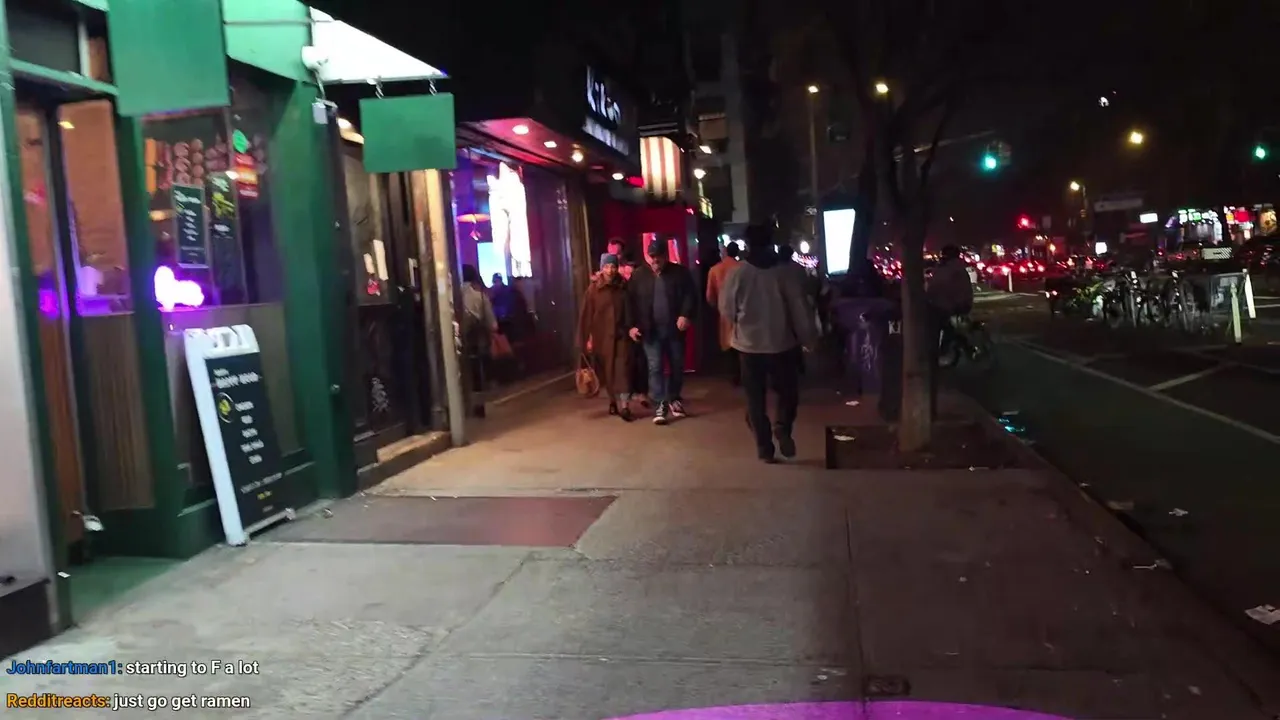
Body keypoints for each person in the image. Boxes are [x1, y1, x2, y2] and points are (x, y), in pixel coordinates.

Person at [719, 224, 817, 463]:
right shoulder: (786, 273)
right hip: (782, 344)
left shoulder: (738, 274)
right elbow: (799, 310)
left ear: (748, 244)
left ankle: (764, 448)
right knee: (788, 393)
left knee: (755, 399)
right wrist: (808, 338)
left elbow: (726, 309)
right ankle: (782, 426)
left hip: (748, 347)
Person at [628, 237, 697, 425]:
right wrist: (631, 325)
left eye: (658, 256)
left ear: (665, 256)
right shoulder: (639, 276)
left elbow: (690, 296)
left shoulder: (680, 273)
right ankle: (660, 403)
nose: (655, 260)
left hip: (674, 330)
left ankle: (674, 398)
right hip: (650, 330)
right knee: (655, 366)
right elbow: (630, 302)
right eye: (651, 256)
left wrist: (685, 314)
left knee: (676, 365)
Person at [578, 253, 635, 421]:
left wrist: (631, 328)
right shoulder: (593, 290)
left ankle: (625, 406)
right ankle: (612, 401)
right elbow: (586, 316)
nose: (610, 270)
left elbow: (630, 310)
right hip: (601, 337)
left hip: (621, 335)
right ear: (602, 268)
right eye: (607, 267)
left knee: (623, 370)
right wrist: (585, 339)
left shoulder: (623, 287)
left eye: (613, 266)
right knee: (608, 372)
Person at [460, 264, 498, 417]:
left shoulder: (453, 296)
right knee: (477, 374)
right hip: (476, 342)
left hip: (458, 341)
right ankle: (478, 406)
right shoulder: (480, 296)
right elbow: (493, 324)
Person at [705, 242, 743, 384]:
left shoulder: (715, 270)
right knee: (742, 343)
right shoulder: (742, 268)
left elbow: (710, 296)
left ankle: (734, 374)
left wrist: (717, 306)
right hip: (742, 311)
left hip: (724, 312)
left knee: (728, 343)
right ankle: (743, 372)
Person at [927, 244, 975, 352]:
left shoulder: (950, 268)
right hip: (953, 302)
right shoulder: (949, 267)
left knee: (936, 323)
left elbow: (939, 286)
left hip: (954, 304)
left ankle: (942, 350)